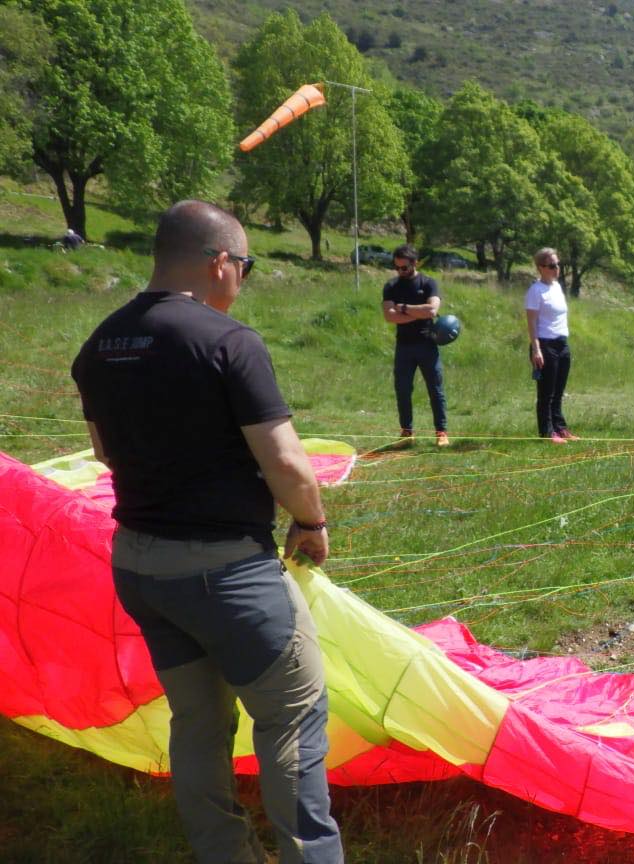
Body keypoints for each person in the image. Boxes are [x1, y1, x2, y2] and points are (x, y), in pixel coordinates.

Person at [70, 200, 344, 863]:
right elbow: (285, 462)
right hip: (229, 573)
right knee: (293, 718)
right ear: (219, 261)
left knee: (198, 722)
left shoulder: (100, 344)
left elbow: (105, 453)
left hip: (139, 564)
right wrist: (310, 523)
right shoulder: (228, 342)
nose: (242, 278)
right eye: (243, 265)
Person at [382, 245, 448, 446]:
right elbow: (389, 316)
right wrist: (416, 312)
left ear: (414, 263)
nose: (400, 272)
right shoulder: (391, 286)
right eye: (397, 268)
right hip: (403, 347)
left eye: (404, 268)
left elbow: (431, 310)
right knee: (402, 390)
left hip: (427, 344)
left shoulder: (428, 283)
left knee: (435, 389)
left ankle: (441, 432)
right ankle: (407, 433)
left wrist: (402, 308)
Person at [527, 247, 577, 444]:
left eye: (558, 265)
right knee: (546, 392)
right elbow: (531, 323)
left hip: (561, 343)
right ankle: (547, 432)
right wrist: (536, 349)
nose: (557, 269)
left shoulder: (557, 287)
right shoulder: (535, 291)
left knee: (558, 390)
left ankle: (560, 427)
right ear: (541, 268)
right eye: (552, 266)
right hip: (545, 345)